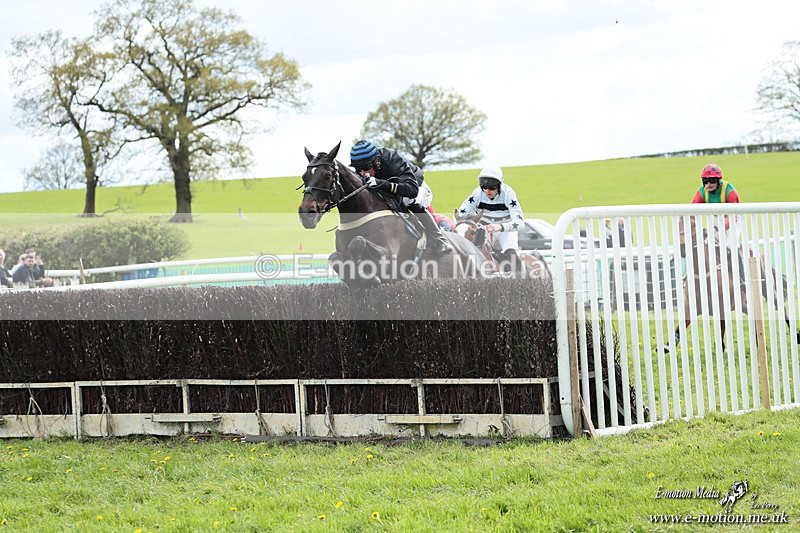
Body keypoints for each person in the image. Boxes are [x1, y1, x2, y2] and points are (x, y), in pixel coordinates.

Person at [350, 140, 452, 255]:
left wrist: (380, 183)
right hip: (392, 192)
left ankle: (440, 239)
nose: (362, 173)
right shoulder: (364, 171)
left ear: (376, 161)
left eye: (366, 167)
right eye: (358, 168)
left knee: (409, 201)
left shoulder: (392, 159)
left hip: (416, 188)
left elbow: (412, 191)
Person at [456, 165, 525, 272]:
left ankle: (521, 279)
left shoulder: (508, 194)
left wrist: (500, 227)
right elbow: (460, 214)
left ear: (499, 185)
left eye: (492, 187)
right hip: (485, 230)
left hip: (505, 231)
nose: (487, 191)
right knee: (475, 252)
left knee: (511, 255)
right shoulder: (477, 193)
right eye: (483, 187)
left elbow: (520, 223)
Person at [691, 163, 739, 230]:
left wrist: (716, 228)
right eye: (705, 181)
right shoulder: (702, 191)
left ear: (718, 180)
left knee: (731, 239)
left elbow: (733, 216)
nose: (708, 184)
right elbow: (692, 210)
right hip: (716, 218)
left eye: (712, 180)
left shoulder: (729, 190)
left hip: (733, 219)